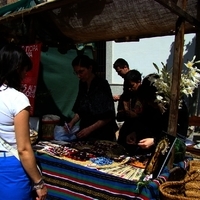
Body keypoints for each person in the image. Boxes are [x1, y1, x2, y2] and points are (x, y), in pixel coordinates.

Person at [0, 44, 47, 200]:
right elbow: (24, 149)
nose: (25, 75)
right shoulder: (17, 99)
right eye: (24, 70)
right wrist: (39, 183)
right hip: (10, 167)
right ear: (16, 68)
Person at [125, 74, 189, 155]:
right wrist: (135, 133)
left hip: (172, 151)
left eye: (152, 101)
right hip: (150, 151)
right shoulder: (150, 105)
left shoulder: (177, 107)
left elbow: (177, 136)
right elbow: (145, 121)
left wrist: (154, 141)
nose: (151, 104)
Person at [66, 55, 117, 141]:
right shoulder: (82, 84)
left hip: (102, 133)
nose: (79, 75)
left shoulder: (102, 84)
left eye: (81, 72)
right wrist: (72, 123)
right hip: (85, 131)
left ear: (90, 68)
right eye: (76, 73)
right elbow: (81, 109)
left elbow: (108, 115)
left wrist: (89, 129)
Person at [117, 69, 142, 151]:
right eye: (128, 86)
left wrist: (136, 115)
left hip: (139, 130)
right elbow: (119, 117)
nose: (130, 89)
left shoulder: (143, 96)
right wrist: (125, 112)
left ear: (138, 82)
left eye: (132, 86)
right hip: (126, 129)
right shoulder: (126, 96)